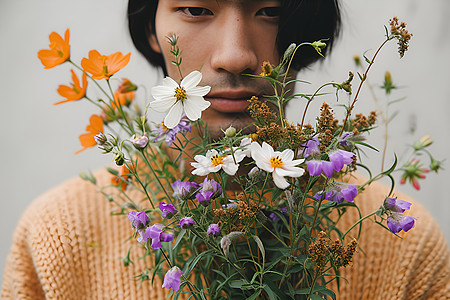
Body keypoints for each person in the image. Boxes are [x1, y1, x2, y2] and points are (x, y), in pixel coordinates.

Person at [2, 0, 449, 299]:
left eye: (270, 11)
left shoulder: (405, 248)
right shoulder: (57, 236)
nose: (236, 56)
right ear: (152, 29)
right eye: (196, 8)